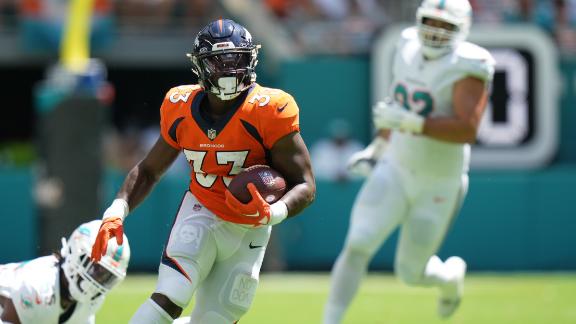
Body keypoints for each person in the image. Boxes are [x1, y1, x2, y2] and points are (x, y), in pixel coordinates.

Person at [90, 18, 315, 324]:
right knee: (171, 296)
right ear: (200, 66)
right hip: (202, 210)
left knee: (215, 318)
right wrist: (117, 210)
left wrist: (272, 213)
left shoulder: (269, 109)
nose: (228, 70)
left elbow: (305, 185)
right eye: (218, 62)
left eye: (236, 59)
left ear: (251, 60)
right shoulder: (179, 105)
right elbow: (149, 170)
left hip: (251, 227)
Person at [323, 0, 495, 322]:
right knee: (358, 243)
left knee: (410, 273)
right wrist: (377, 147)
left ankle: (448, 279)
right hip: (396, 167)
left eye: (446, 25)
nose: (435, 31)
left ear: (462, 30)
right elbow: (398, 104)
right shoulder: (405, 44)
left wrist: (411, 123)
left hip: (438, 181)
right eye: (431, 21)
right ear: (419, 19)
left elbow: (467, 129)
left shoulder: (469, 64)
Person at [0, 220, 130, 324]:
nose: (98, 280)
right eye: (95, 267)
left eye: (106, 276)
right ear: (76, 254)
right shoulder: (37, 284)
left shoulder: (92, 300)